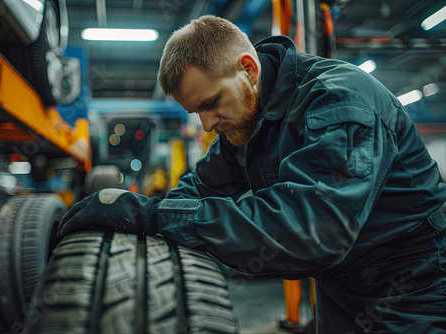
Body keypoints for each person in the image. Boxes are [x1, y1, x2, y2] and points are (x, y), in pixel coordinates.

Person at [58, 15, 446, 333]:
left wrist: (156, 216)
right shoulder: (248, 116)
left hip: (413, 287)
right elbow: (202, 184)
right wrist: (141, 213)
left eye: (211, 104)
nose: (207, 125)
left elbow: (311, 231)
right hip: (342, 285)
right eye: (197, 112)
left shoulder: (339, 101)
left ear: (248, 68)